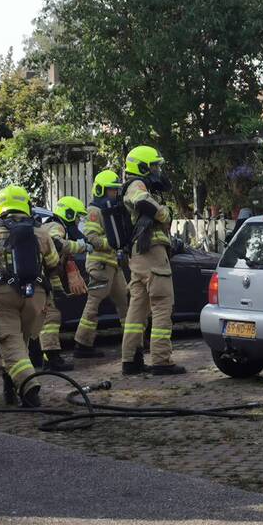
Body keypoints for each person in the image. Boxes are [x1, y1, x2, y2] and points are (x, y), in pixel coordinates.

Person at [0, 185, 62, 408]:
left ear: (2, 206)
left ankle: (30, 388)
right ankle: (10, 385)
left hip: (3, 295)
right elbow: (54, 264)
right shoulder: (41, 232)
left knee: (10, 342)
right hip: (35, 295)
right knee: (23, 344)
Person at [120, 145, 185, 376]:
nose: (157, 169)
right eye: (154, 165)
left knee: (137, 308)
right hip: (151, 252)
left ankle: (131, 360)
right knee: (162, 303)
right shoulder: (137, 185)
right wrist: (163, 213)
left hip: (139, 255)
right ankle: (161, 360)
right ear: (143, 166)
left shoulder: (133, 184)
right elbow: (142, 202)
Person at [73, 170, 130, 358]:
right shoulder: (95, 211)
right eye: (111, 190)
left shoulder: (112, 211)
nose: (115, 193)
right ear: (101, 190)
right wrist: (112, 243)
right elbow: (91, 238)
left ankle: (133, 343)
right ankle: (82, 344)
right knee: (93, 303)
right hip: (100, 265)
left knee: (125, 303)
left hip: (113, 266)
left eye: (116, 190)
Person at [38, 196, 91, 370]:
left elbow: (52, 264)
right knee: (51, 317)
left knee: (40, 318)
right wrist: (81, 246)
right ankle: (52, 359)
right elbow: (57, 244)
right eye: (76, 217)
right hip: (39, 279)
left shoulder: (48, 225)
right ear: (68, 214)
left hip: (40, 278)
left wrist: (59, 290)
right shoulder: (57, 227)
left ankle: (37, 357)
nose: (77, 222)